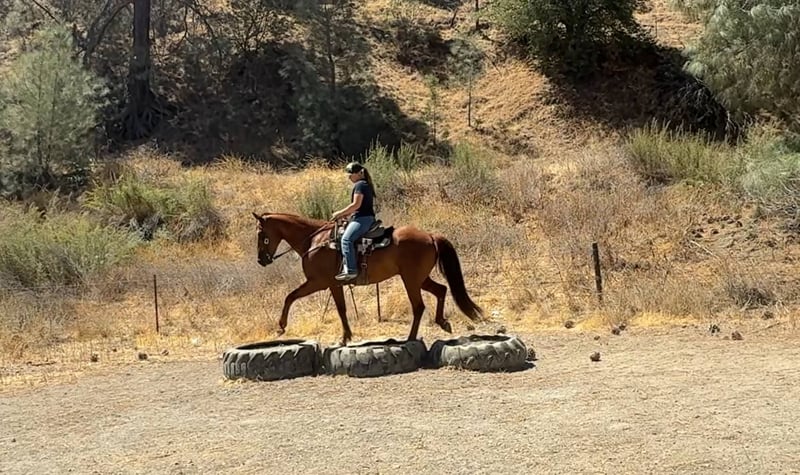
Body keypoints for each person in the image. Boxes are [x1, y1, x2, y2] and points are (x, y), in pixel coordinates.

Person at [331, 161, 377, 281]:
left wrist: (339, 213)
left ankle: (351, 270)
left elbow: (356, 205)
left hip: (363, 219)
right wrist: (347, 215)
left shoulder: (360, 185)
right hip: (363, 217)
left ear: (359, 173)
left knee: (346, 239)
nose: (349, 177)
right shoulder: (365, 184)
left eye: (351, 174)